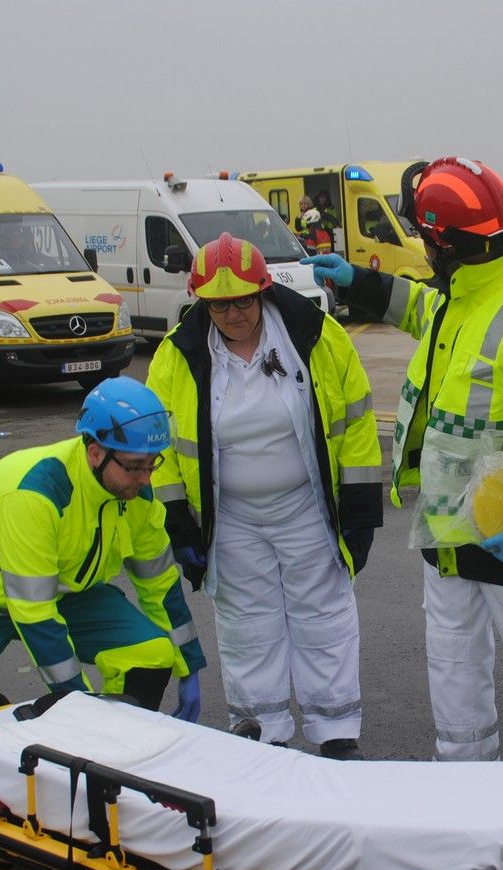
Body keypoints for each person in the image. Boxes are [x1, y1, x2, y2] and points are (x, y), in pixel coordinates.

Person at [303, 156, 503, 774]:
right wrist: (359, 283)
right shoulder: (462, 298)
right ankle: (466, 794)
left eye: (425, 236)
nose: (421, 246)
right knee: (454, 676)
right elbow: (424, 313)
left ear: (446, 242)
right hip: (449, 535)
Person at [147, 232, 382, 760]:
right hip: (231, 518)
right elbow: (160, 448)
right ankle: (261, 736)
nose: (234, 314)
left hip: (305, 508)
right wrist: (177, 522)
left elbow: (357, 422)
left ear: (264, 290)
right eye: (219, 304)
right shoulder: (175, 356)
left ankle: (336, 734)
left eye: (244, 301)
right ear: (201, 301)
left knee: (324, 618)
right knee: (245, 625)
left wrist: (361, 508)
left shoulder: (315, 337)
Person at [0, 378, 207, 720]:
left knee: (152, 653)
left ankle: (110, 760)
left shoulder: (135, 494)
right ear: (95, 453)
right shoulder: (36, 494)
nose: (146, 478)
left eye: (153, 464)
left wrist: (188, 666)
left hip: (59, 592)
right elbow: (34, 613)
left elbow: (160, 584)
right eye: (135, 466)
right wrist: (76, 704)